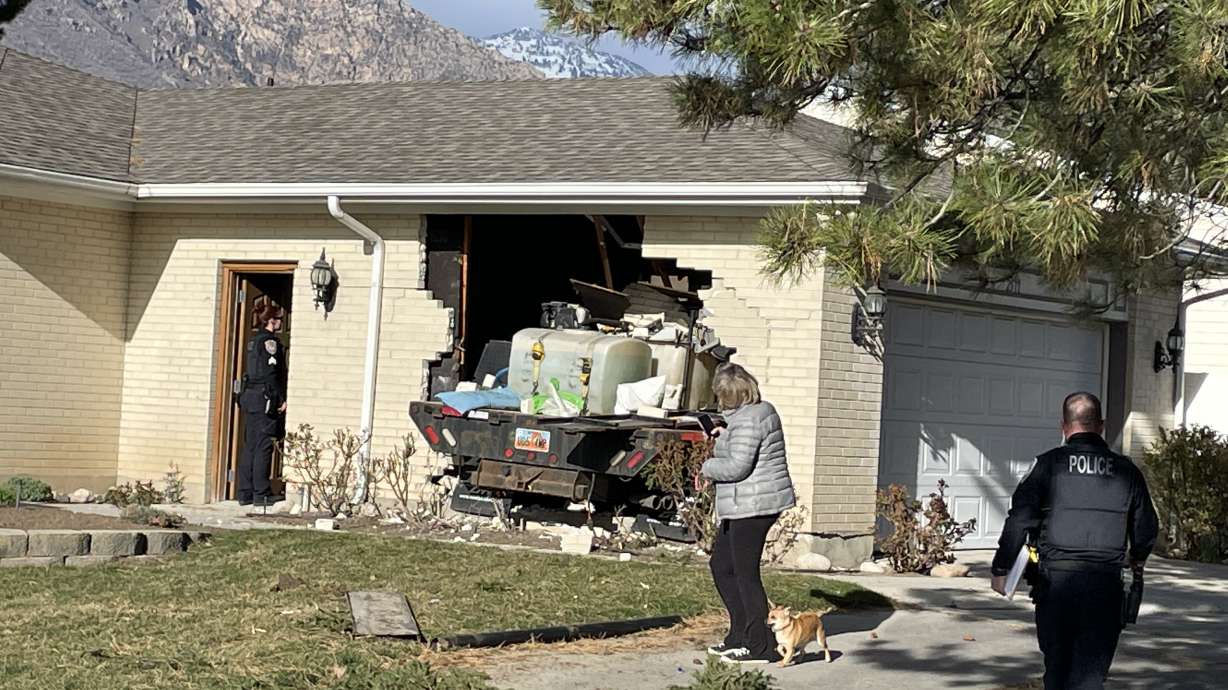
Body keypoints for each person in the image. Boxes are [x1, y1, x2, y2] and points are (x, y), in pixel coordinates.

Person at [991, 392, 1158, 690]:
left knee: (1057, 666)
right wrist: (1138, 557)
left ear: (1064, 426)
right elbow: (1146, 529)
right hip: (1105, 586)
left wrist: (1001, 569)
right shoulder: (1127, 470)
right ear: (1102, 425)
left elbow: (1019, 519)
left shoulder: (1047, 465)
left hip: (1056, 584)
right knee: (1091, 673)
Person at [699, 363, 796, 665]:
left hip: (755, 506)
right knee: (722, 566)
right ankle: (739, 635)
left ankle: (759, 647)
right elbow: (741, 447)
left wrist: (706, 468)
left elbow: (737, 467)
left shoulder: (750, 420)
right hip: (747, 504)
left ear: (728, 396)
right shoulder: (753, 414)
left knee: (745, 574)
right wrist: (722, 434)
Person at [237, 303, 288, 507]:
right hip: (264, 399)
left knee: (250, 446)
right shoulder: (269, 343)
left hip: (251, 397)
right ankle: (261, 493)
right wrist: (281, 398)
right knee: (263, 445)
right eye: (280, 319)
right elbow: (271, 374)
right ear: (271, 321)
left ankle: (245, 492)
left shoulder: (253, 341)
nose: (281, 323)